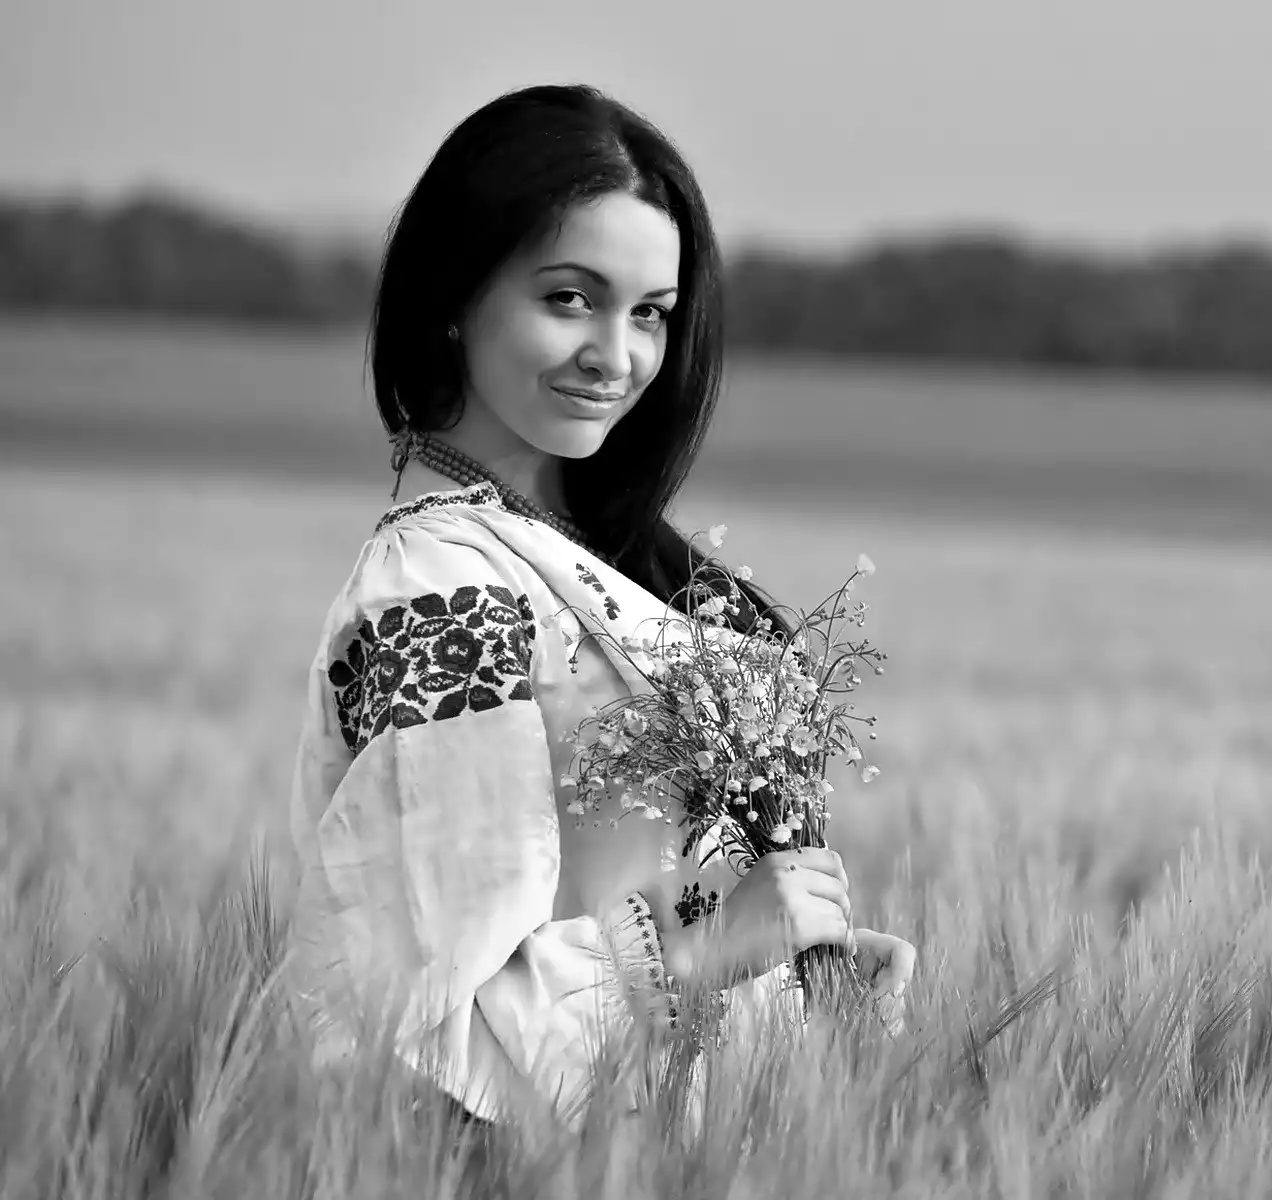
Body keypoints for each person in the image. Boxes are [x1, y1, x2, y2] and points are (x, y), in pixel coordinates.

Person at [280, 83, 917, 1132]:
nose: (615, 357)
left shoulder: (594, 557)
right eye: (569, 298)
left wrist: (798, 980)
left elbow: (649, 887)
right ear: (455, 293)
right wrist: (701, 950)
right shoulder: (447, 597)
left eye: (651, 314)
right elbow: (415, 1011)